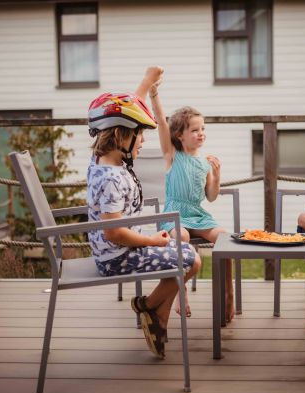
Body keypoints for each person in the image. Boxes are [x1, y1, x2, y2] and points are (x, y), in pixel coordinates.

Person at [86, 66, 202, 359]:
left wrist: (147, 83)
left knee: (189, 256)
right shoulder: (111, 178)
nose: (143, 140)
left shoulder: (102, 160)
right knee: (189, 258)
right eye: (139, 135)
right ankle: (150, 307)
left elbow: (125, 110)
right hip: (115, 257)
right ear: (122, 136)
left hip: (114, 250)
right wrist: (153, 241)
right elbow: (114, 232)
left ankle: (157, 316)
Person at [148, 71, 235, 322]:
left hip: (198, 214)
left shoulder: (204, 163)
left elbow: (211, 196)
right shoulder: (172, 156)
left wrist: (216, 177)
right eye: (194, 130)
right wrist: (154, 95)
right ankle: (180, 290)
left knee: (225, 238)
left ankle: (228, 295)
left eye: (202, 129)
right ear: (180, 135)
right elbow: (162, 124)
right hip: (176, 214)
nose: (201, 133)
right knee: (182, 235)